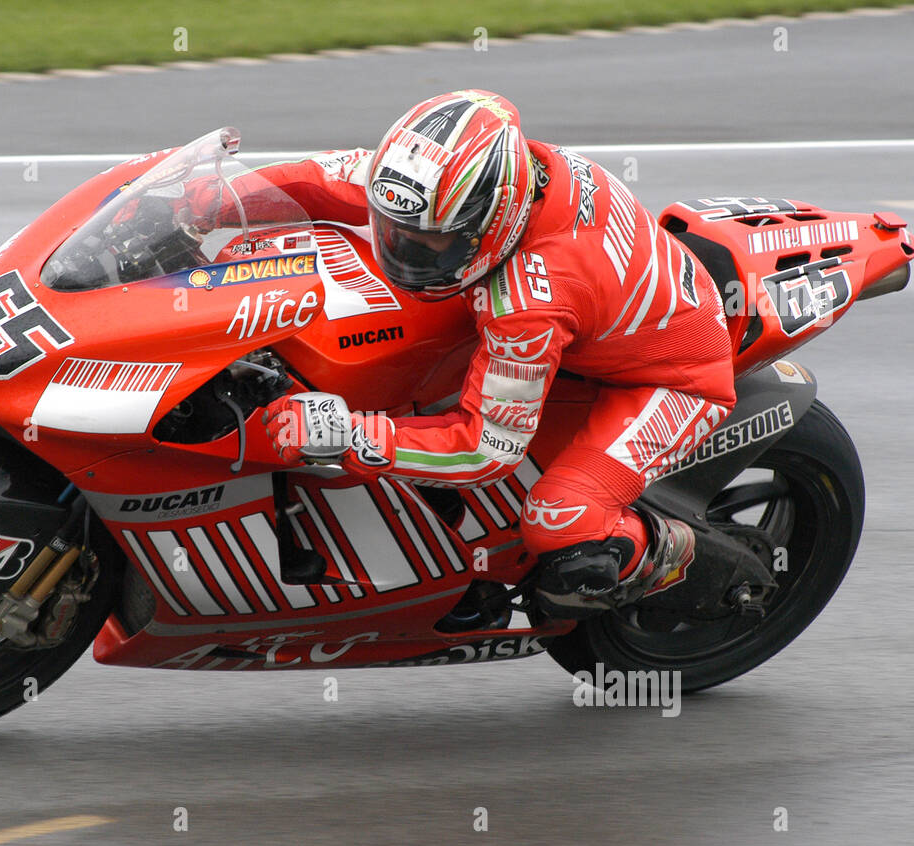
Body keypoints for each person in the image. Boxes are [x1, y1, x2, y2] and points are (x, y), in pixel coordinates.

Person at [257, 90, 737, 613]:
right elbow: (315, 181)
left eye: (430, 242)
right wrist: (194, 196)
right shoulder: (457, 174)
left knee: (560, 523)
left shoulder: (530, 301)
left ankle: (670, 558)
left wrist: (351, 437)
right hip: (609, 308)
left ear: (495, 219)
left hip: (674, 375)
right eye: (393, 230)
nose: (402, 249)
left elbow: (486, 449)